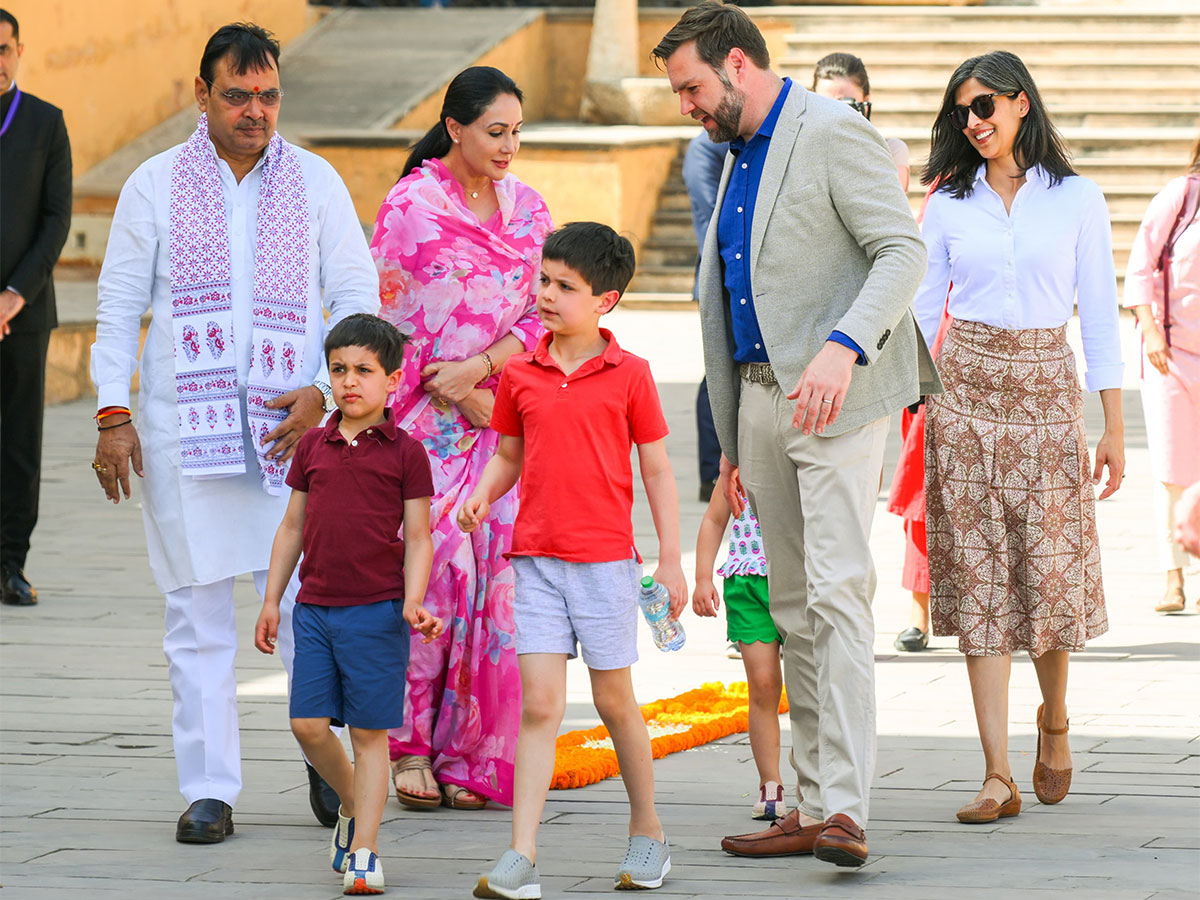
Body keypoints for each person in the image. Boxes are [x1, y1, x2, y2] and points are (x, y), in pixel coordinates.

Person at [655, 1, 936, 868]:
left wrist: (844, 348)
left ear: (737, 64)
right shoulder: (733, 152)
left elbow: (902, 252)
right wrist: (732, 446)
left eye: (691, 87)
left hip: (837, 399)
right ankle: (810, 805)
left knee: (838, 593)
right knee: (790, 609)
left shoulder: (834, 130)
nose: (685, 107)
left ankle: (846, 810)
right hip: (756, 403)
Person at [90, 23, 379, 842]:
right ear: (202, 94)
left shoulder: (316, 181)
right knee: (197, 612)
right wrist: (113, 414)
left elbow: (357, 296)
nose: (256, 111)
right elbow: (118, 305)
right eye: (238, 95)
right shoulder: (153, 183)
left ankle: (325, 760)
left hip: (297, 435)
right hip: (187, 433)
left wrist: (324, 391)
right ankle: (210, 788)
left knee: (307, 604)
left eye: (269, 95)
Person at [914, 51, 1125, 824]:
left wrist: (1112, 425)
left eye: (984, 107)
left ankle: (1055, 717)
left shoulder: (1078, 199)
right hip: (964, 394)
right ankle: (996, 773)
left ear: (1020, 103)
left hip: (1046, 394)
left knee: (1047, 572)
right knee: (979, 581)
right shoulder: (947, 202)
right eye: (962, 112)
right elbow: (921, 309)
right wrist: (906, 402)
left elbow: (1098, 314)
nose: (973, 123)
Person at [460, 222, 687, 898]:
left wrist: (671, 560)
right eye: (544, 280)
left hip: (605, 565)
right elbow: (508, 456)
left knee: (615, 701)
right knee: (539, 707)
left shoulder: (631, 374)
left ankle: (648, 832)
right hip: (534, 562)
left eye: (565, 286)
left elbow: (657, 470)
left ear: (605, 300)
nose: (547, 295)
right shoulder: (520, 373)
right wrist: (481, 496)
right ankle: (521, 855)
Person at [370, 66, 554, 813]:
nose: (509, 147)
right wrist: (443, 388)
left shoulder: (530, 211)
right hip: (421, 423)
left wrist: (483, 376)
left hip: (502, 424)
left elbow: (544, 314)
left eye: (517, 133)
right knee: (436, 574)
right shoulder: (411, 208)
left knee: (499, 588)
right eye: (495, 132)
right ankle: (409, 746)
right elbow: (384, 324)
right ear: (455, 128)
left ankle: (473, 752)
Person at [255, 313, 442, 895]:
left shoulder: (407, 453)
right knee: (307, 726)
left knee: (368, 735)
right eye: (338, 370)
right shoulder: (313, 444)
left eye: (363, 370)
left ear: (393, 379)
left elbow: (419, 537)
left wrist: (414, 600)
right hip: (314, 608)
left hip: (378, 613)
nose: (349, 381)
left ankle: (365, 849)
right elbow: (292, 527)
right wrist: (272, 600)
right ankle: (353, 805)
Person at [0, 8, 72, 607]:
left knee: (19, 446)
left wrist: (13, 294)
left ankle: (10, 565)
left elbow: (56, 219)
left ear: (19, 51)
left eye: (2, 49)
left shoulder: (46, 122)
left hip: (24, 314)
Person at [1123, 137, 1199, 614]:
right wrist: (1150, 331)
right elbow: (1139, 268)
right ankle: (1173, 576)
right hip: (1168, 354)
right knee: (1173, 471)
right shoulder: (1181, 195)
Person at [692, 473, 785, 823]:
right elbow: (714, 519)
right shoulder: (735, 466)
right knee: (763, 683)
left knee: (809, 685)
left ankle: (816, 779)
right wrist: (703, 578)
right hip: (747, 584)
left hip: (799, 579)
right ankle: (770, 782)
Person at [682, 131, 729, 505]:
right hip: (720, 276)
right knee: (716, 373)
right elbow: (712, 215)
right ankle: (711, 472)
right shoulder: (703, 149)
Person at [810, 52, 910, 192]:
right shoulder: (801, 149)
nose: (833, 115)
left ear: (865, 101)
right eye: (825, 104)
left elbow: (892, 198)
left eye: (845, 105)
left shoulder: (890, 150)